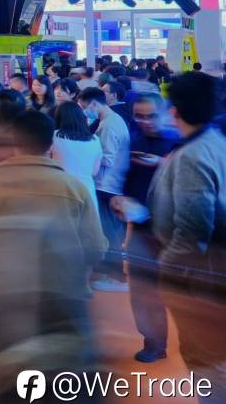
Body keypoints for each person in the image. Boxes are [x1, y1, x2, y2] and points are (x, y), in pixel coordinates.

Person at [0, 111, 106, 357]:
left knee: (16, 356)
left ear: (13, 141)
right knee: (61, 359)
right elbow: (95, 244)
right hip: (63, 288)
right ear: (51, 144)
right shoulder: (73, 186)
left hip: (8, 287)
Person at [147, 72, 226, 404]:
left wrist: (165, 271)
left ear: (174, 110)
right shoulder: (215, 141)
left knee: (207, 358)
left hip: (200, 279)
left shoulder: (194, 154)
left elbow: (193, 231)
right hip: (213, 272)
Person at [114, 94, 182, 363]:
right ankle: (154, 342)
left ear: (165, 114)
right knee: (142, 289)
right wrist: (119, 199)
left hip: (176, 229)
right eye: (139, 116)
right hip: (142, 226)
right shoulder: (134, 139)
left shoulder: (180, 142)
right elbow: (124, 178)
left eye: (151, 115)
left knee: (183, 292)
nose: (144, 121)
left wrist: (162, 164)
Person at [78, 87, 130, 291]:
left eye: (84, 107)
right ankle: (112, 273)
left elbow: (107, 159)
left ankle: (115, 276)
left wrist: (88, 157)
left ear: (94, 104)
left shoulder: (108, 125)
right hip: (111, 183)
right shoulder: (112, 120)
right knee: (112, 230)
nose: (84, 111)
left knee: (108, 232)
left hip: (106, 184)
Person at [48, 102, 103, 208]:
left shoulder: (53, 136)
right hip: (87, 192)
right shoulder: (95, 140)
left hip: (60, 191)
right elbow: (94, 172)